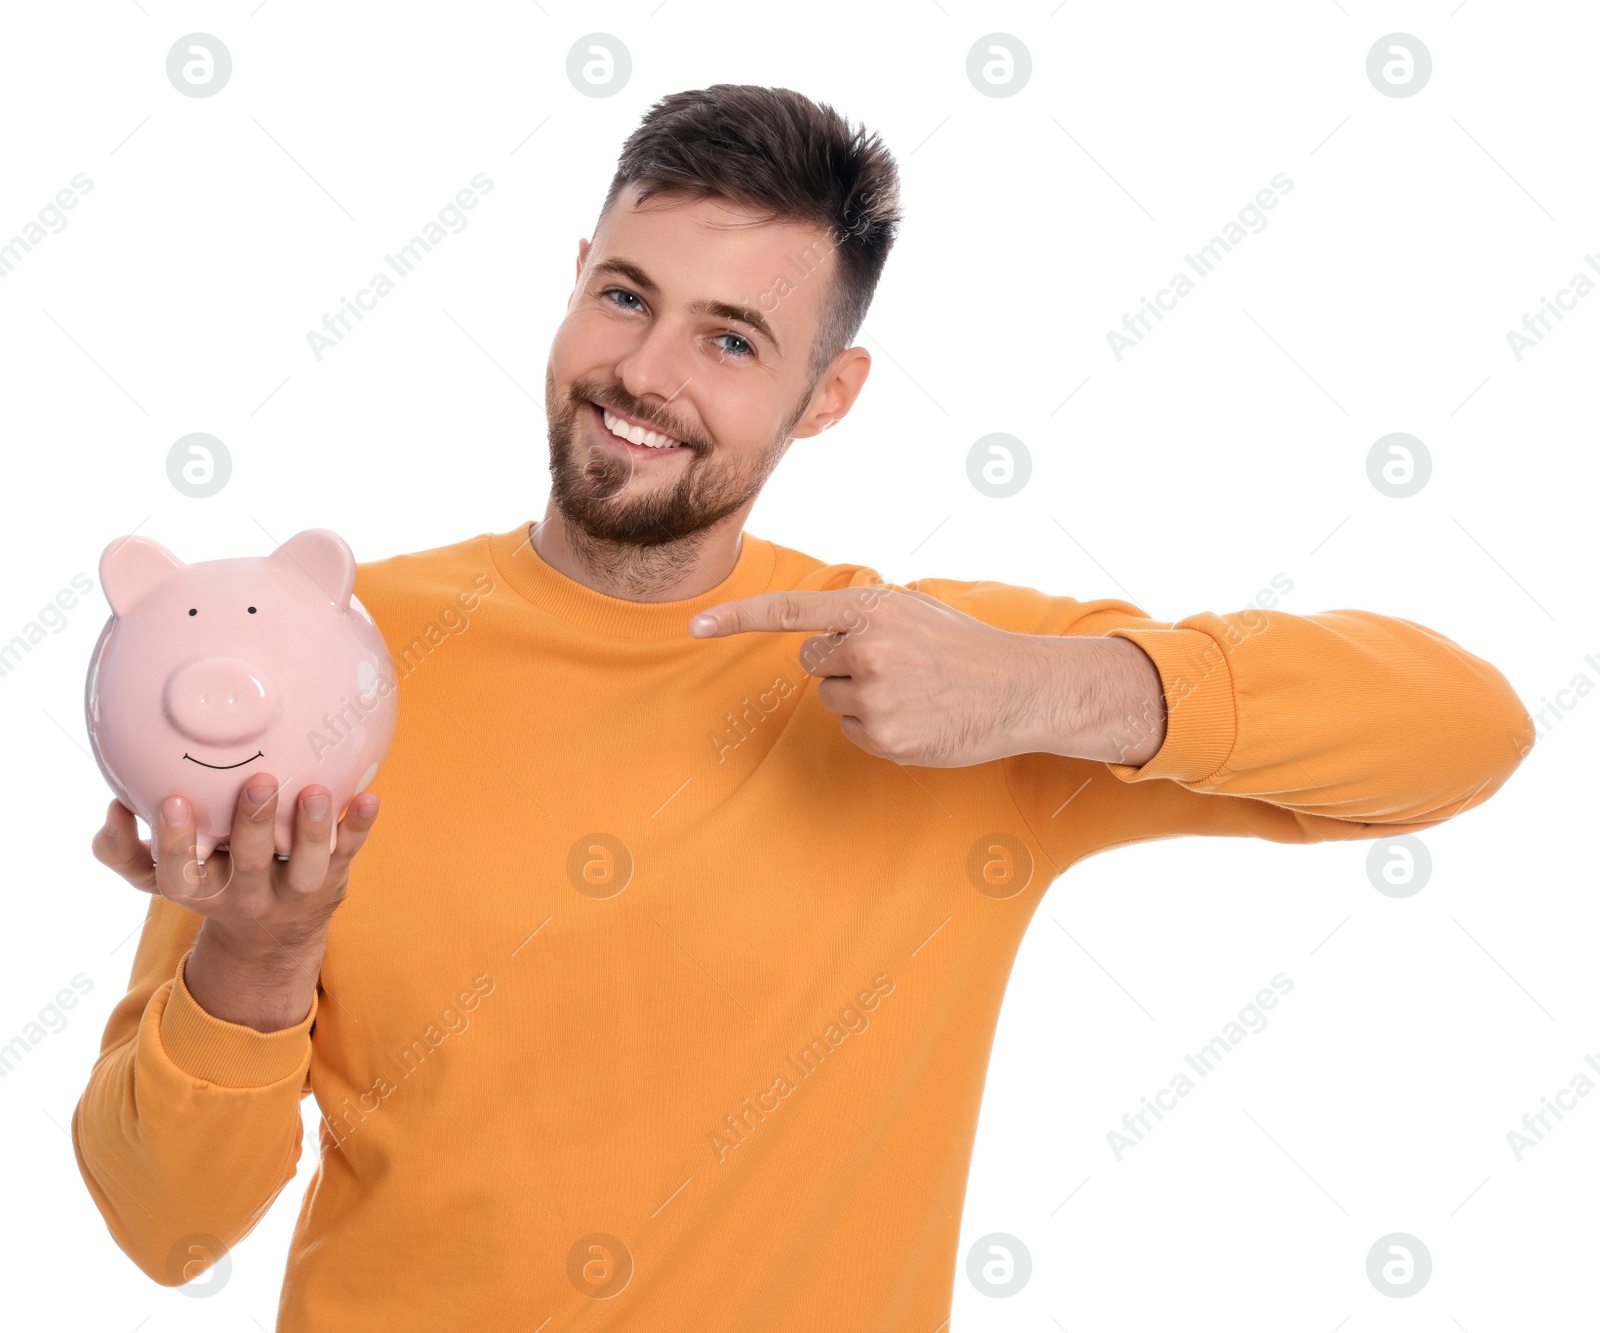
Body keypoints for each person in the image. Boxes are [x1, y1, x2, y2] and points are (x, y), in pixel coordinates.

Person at [74, 84, 1534, 1330]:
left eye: (730, 339)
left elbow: (1471, 731)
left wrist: (1049, 688)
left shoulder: (940, 679)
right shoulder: (333, 663)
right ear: (576, 275)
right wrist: (258, 960)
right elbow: (164, 1229)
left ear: (829, 394)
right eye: (626, 297)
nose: (641, 375)